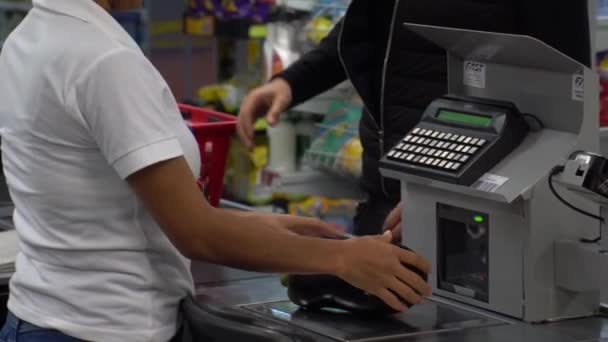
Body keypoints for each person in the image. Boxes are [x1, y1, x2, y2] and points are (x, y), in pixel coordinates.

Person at [0, 0, 432, 341]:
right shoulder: (101, 60)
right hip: (109, 327)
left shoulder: (32, 36)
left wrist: (262, 226)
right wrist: (342, 258)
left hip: (42, 318)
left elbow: (109, 205)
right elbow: (197, 233)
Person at [238, 0, 591, 240]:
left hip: (478, 220)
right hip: (385, 198)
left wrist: (444, 196)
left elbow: (564, 97)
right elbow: (367, 25)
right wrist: (293, 81)